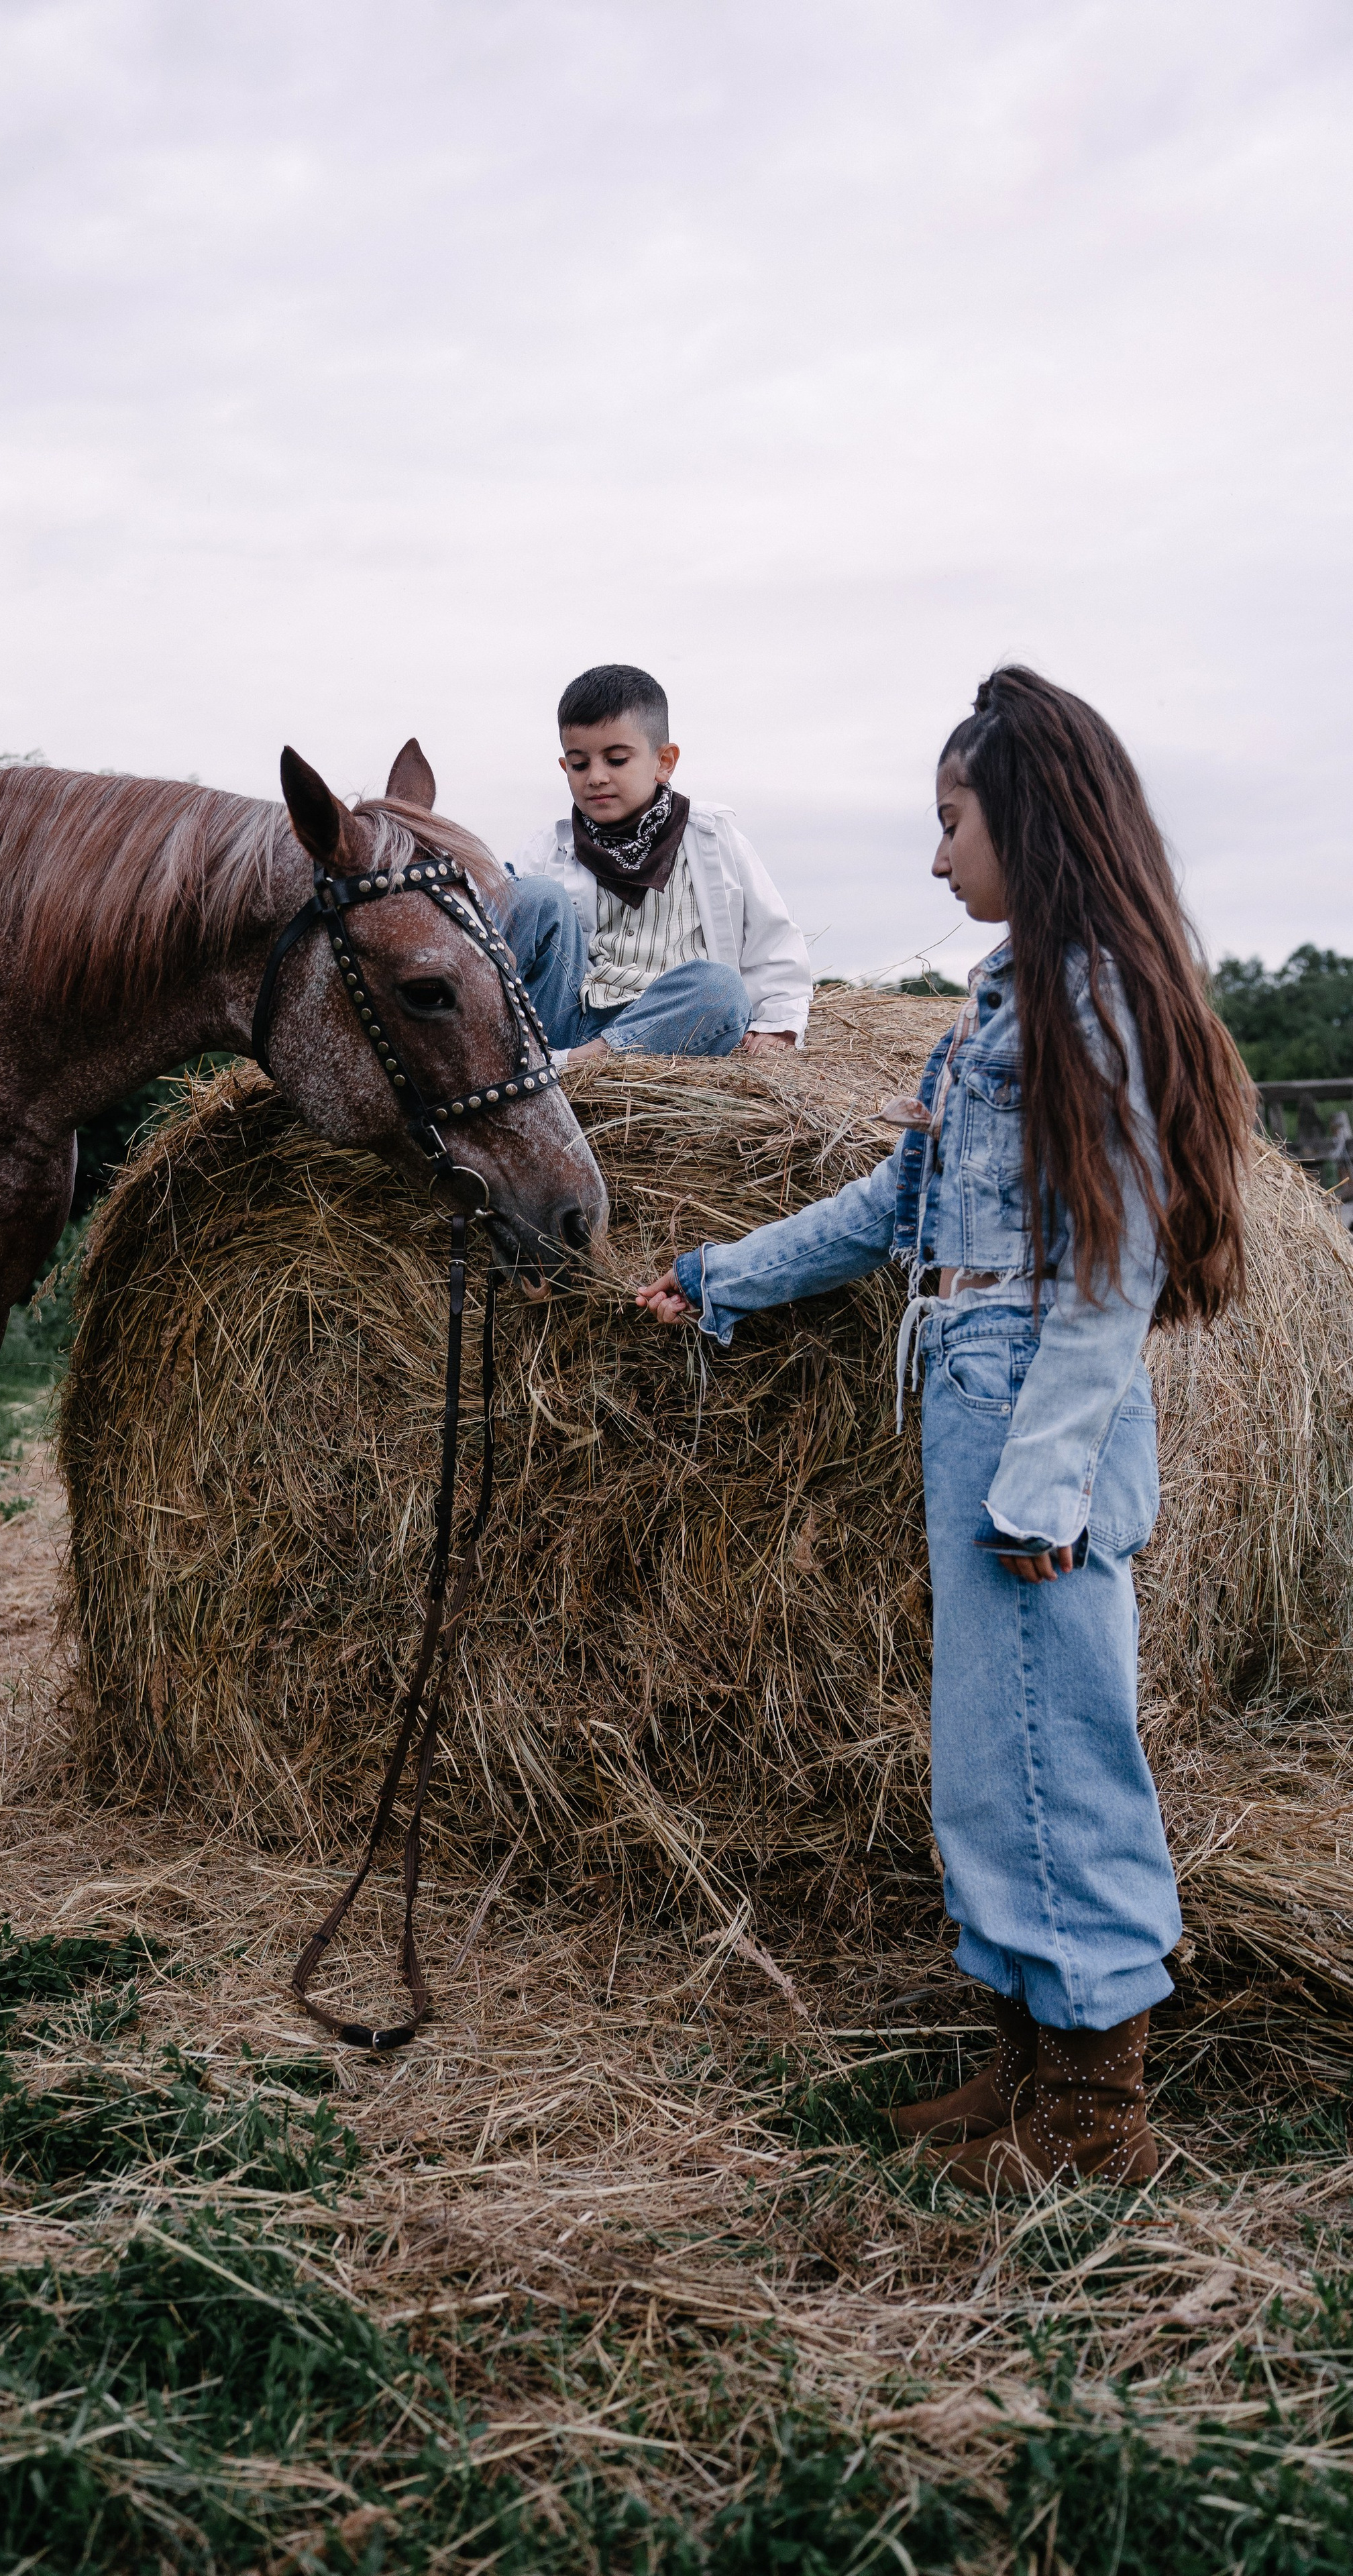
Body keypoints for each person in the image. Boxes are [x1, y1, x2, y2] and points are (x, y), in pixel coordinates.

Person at [636, 667, 1253, 2192]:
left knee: (1057, 1745)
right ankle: (1029, 2054)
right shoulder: (1002, 999)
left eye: (948, 822)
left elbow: (1109, 1263)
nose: (931, 859)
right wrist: (718, 1276)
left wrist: (1041, 1474)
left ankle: (1099, 2112)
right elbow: (897, 1207)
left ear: (1022, 821)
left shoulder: (1096, 990)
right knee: (993, 1747)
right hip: (970, 1387)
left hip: (1033, 1408)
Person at [504, 663, 812, 1068]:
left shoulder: (712, 837)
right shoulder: (547, 848)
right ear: (565, 767)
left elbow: (772, 937)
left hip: (667, 1025)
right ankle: (506, 1049)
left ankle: (579, 1064)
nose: (595, 777)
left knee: (721, 987)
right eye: (579, 765)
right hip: (564, 1018)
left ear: (664, 762)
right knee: (533, 895)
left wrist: (779, 1021)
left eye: (616, 760)